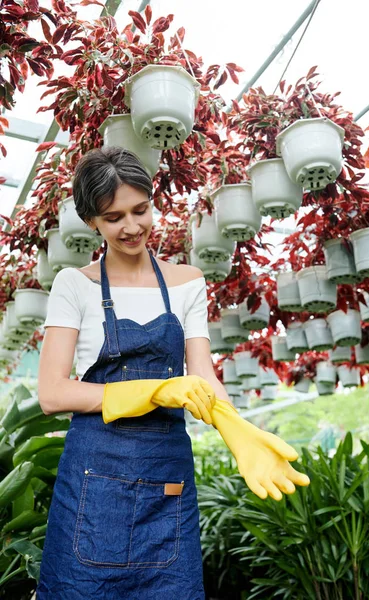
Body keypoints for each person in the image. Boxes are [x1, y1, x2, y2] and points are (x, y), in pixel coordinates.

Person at [36, 146, 309, 599]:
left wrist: (237, 430)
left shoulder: (188, 282)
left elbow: (202, 376)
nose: (131, 227)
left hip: (167, 480)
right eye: (113, 217)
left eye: (140, 210)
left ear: (152, 200)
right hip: (94, 483)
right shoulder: (74, 284)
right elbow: (52, 393)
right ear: (93, 223)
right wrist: (156, 390)